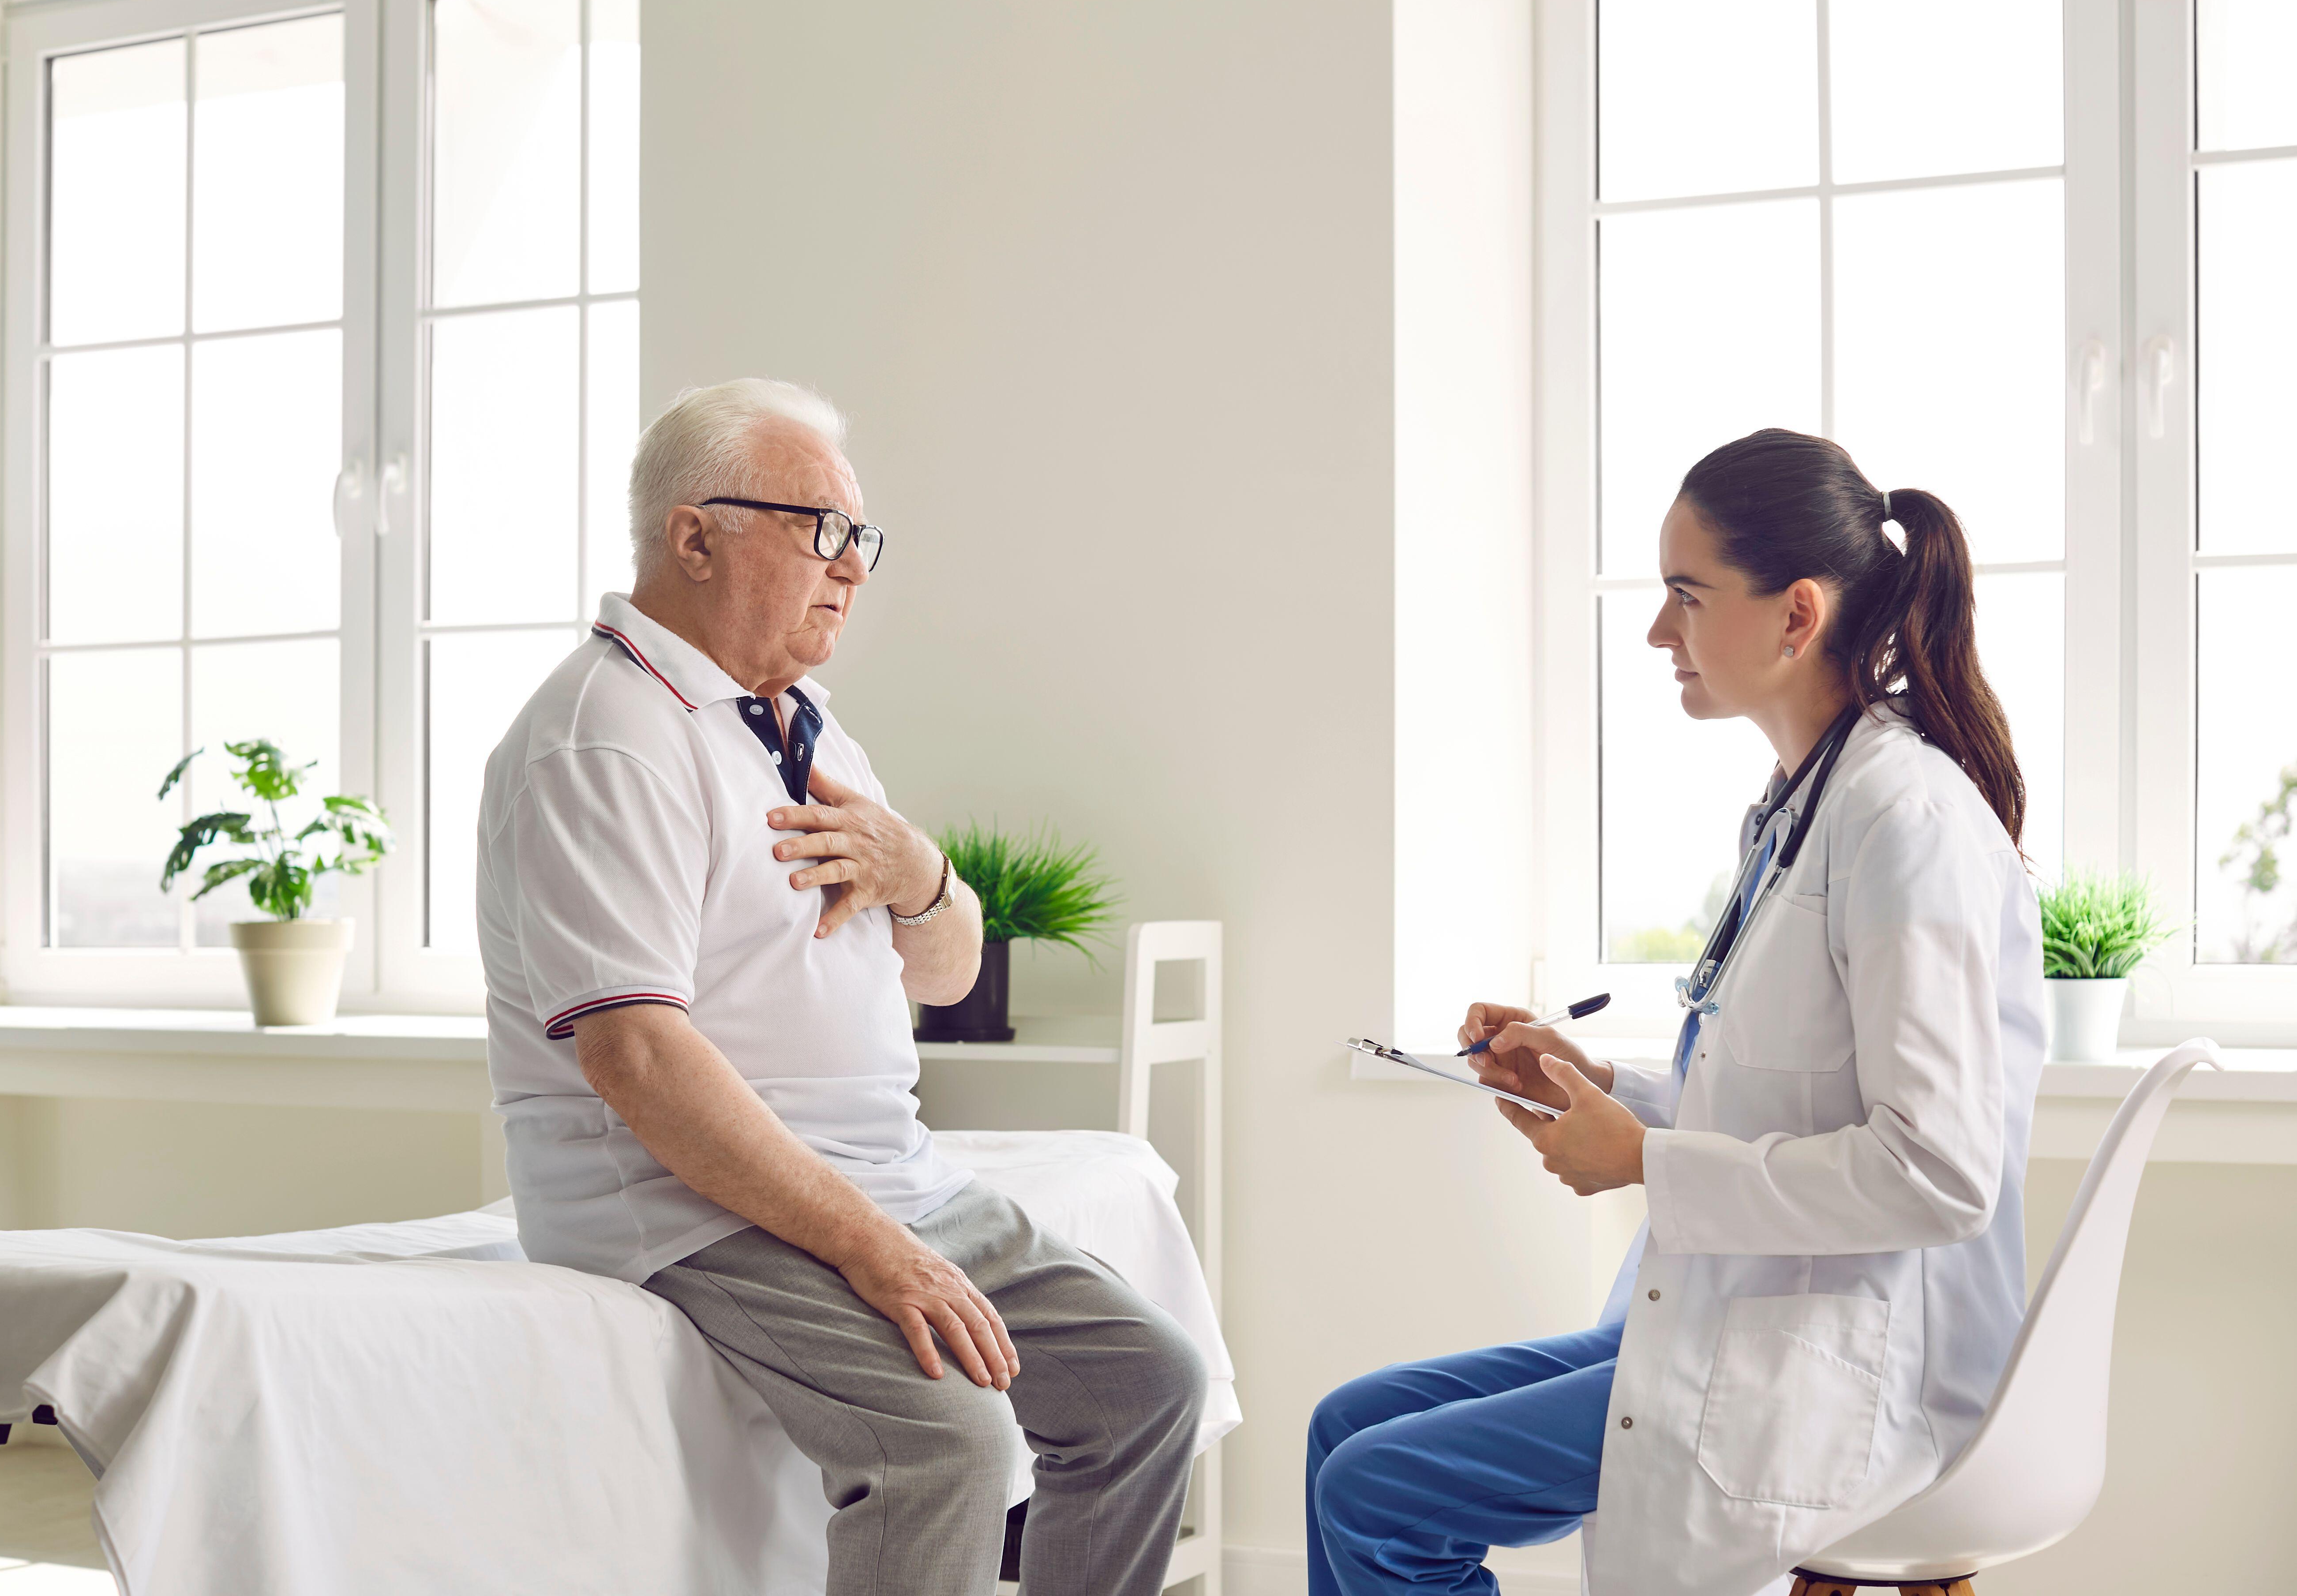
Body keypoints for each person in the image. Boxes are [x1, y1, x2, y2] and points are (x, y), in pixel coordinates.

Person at [476, 378, 1207, 1596]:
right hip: (692, 1211)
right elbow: (637, 1059)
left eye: (859, 535)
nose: (852, 567)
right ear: (696, 535)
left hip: (884, 1174)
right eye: (818, 528)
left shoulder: (801, 722)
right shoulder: (605, 737)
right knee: (956, 1448)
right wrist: (877, 1249)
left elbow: (950, 966)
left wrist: (922, 878)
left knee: (1150, 1386)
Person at [1307, 429, 2048, 1596]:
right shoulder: (1807, 806)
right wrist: (1595, 1086)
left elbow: (1938, 1174)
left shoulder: (1904, 827)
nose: (1660, 632)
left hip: (1845, 1361)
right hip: (1739, 1306)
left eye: (1687, 597)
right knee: (1346, 1427)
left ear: (1795, 616)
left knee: (1377, 1493)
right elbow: (1788, 1095)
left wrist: (1648, 1158)